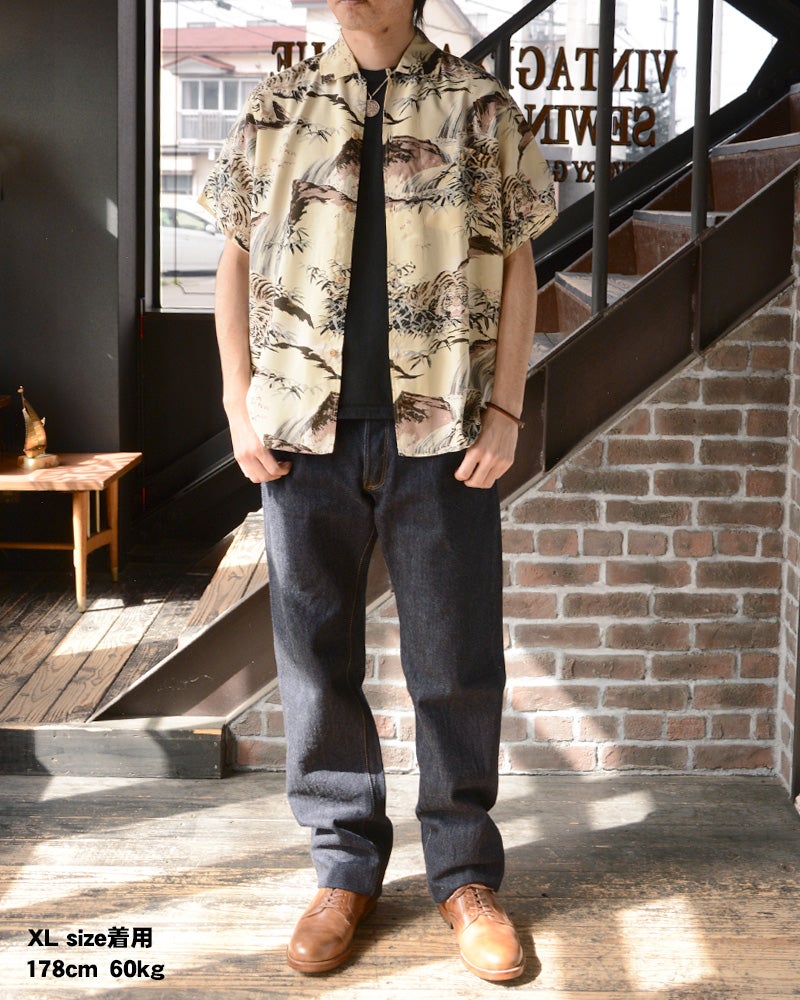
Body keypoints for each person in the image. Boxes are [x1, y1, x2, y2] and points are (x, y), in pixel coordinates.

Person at [201, 0, 556, 983]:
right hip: (300, 437)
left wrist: (505, 408)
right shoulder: (275, 107)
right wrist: (236, 404)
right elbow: (234, 258)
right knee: (314, 660)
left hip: (437, 435)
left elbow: (518, 263)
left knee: (455, 657)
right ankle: (343, 869)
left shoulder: (481, 109)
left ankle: (464, 876)